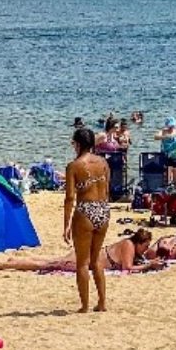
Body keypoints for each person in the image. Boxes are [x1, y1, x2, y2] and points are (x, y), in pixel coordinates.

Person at [64, 125, 111, 313]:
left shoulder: (74, 166)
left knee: (82, 262)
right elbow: (107, 190)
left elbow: (69, 198)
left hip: (85, 210)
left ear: (78, 144)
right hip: (103, 209)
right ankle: (102, 302)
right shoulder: (103, 163)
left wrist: (66, 224)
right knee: (96, 259)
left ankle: (84, 305)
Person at [0, 230, 158, 274]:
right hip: (84, 259)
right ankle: (2, 264)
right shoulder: (128, 245)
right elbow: (127, 268)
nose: (145, 250)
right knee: (47, 265)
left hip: (86, 254)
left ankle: (16, 259)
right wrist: (148, 266)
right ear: (139, 242)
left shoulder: (127, 244)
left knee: (55, 260)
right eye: (145, 246)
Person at [155, 117, 176, 188]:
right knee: (167, 178)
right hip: (165, 157)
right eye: (169, 126)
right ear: (167, 125)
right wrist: (164, 137)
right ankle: (167, 188)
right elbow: (156, 137)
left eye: (172, 126)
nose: (171, 127)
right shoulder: (163, 131)